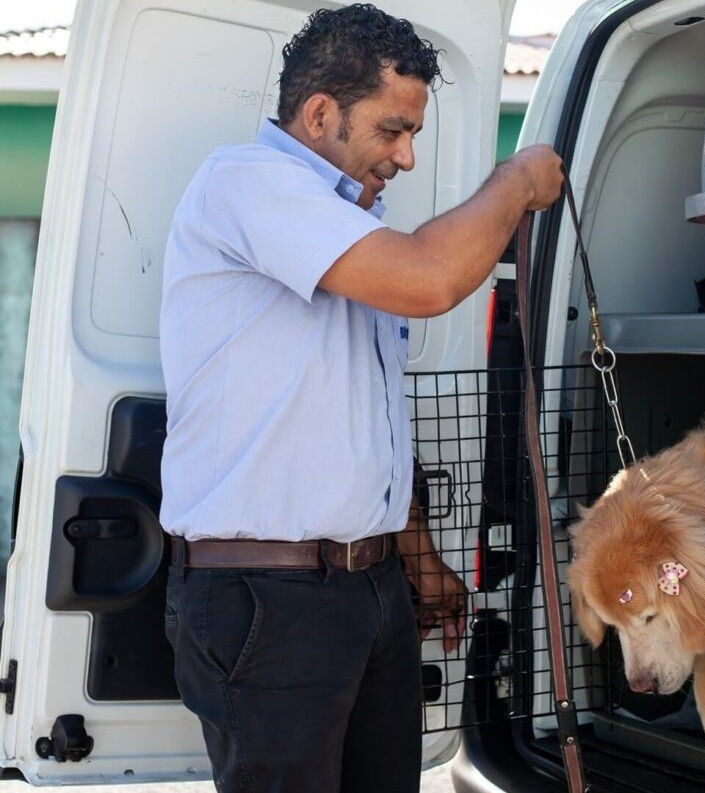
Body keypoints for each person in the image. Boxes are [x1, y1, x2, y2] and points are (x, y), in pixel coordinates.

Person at [159, 4, 563, 792]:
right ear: (318, 114)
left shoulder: (349, 225)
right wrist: (514, 182)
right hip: (269, 600)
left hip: (367, 589)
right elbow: (430, 280)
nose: (407, 156)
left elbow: (358, 417)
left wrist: (412, 553)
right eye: (392, 129)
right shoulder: (248, 184)